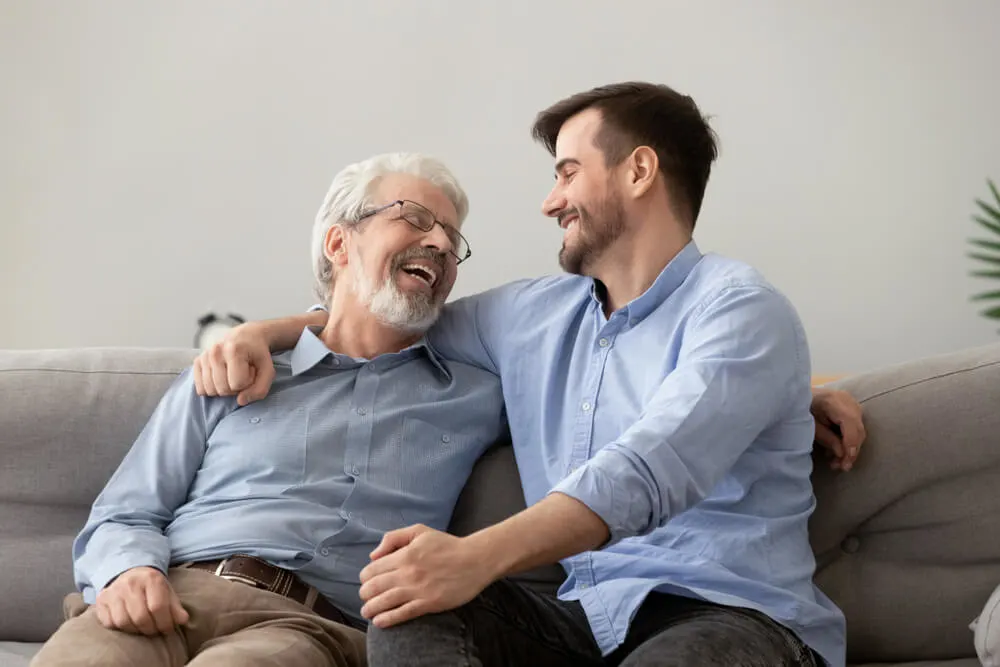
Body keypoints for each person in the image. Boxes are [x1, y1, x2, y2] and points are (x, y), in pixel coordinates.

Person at [194, 82, 865, 666]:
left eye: (567, 172)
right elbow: (385, 317)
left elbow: (645, 470)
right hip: (585, 625)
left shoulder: (741, 307)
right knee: (407, 602)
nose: (550, 201)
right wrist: (262, 331)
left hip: (731, 617)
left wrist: (477, 554)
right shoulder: (530, 315)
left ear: (638, 170)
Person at [30, 153, 508, 667]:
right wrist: (127, 571)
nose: (438, 243)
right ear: (338, 243)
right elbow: (125, 512)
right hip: (171, 593)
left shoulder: (478, 394)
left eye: (451, 240)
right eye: (414, 218)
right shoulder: (231, 370)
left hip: (309, 627)